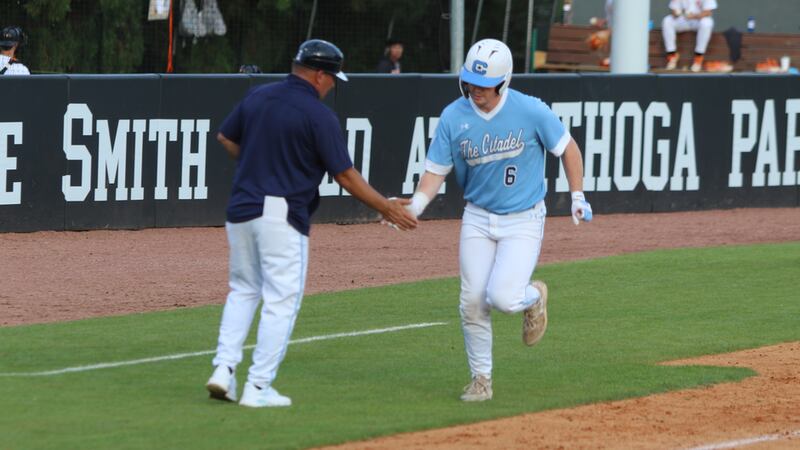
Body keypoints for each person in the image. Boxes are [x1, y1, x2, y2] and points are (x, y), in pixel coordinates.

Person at [205, 39, 417, 408]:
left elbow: (226, 136)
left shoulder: (259, 96)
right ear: (319, 75)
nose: (334, 84)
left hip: (240, 209)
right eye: (333, 77)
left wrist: (256, 161)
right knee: (281, 300)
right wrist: (387, 207)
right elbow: (346, 176)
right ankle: (257, 387)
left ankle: (223, 369)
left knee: (243, 289)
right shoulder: (318, 115)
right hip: (281, 215)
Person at [399, 39, 592, 402]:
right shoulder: (454, 116)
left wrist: (577, 195)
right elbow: (434, 171)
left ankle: (534, 296)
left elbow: (567, 147)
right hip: (477, 217)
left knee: (503, 297)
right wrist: (417, 205)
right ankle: (481, 380)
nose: (476, 90)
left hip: (523, 218)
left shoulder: (530, 110)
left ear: (503, 83)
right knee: (472, 301)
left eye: (484, 84)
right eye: (470, 81)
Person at [662, 0, 718, 72]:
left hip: (698, 20)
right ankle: (671, 55)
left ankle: (698, 57)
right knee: (667, 20)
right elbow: (674, 10)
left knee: (707, 23)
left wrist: (694, 16)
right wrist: (677, 13)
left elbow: (708, 12)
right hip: (684, 19)